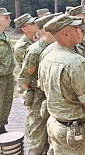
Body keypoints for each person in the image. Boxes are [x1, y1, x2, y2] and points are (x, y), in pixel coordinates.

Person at [38, 14, 85, 154]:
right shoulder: (75, 61)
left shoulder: (47, 57)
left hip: (55, 123)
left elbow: (45, 88)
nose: (80, 32)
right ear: (65, 33)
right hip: (75, 129)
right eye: (76, 29)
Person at [18, 13, 58, 155]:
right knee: (37, 139)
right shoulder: (35, 51)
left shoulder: (56, 48)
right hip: (38, 99)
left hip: (52, 99)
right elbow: (24, 80)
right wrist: (37, 91)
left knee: (50, 137)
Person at [0, 8, 15, 136]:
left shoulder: (3, 35)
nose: (10, 20)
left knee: (5, 105)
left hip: (7, 77)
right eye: (6, 17)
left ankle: (1, 130)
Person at [13, 13, 39, 91]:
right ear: (24, 29)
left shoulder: (36, 40)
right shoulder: (21, 46)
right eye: (32, 23)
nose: (36, 24)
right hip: (31, 84)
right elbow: (37, 62)